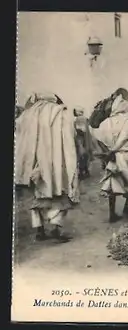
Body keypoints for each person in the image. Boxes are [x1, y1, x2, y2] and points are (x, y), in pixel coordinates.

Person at [15, 92, 79, 242]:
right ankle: (56, 228)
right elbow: (72, 135)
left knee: (36, 197)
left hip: (35, 162)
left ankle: (39, 231)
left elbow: (17, 132)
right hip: (57, 161)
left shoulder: (28, 114)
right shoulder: (62, 113)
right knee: (60, 195)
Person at [94, 94, 128, 222]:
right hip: (124, 155)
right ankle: (127, 207)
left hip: (111, 157)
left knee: (113, 185)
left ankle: (112, 213)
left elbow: (98, 139)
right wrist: (114, 150)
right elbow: (124, 138)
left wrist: (108, 151)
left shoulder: (105, 123)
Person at [73, 106, 93, 180]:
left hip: (81, 140)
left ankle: (82, 172)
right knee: (85, 156)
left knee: (81, 156)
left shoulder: (79, 119)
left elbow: (81, 130)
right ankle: (86, 171)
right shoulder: (85, 119)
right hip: (86, 140)